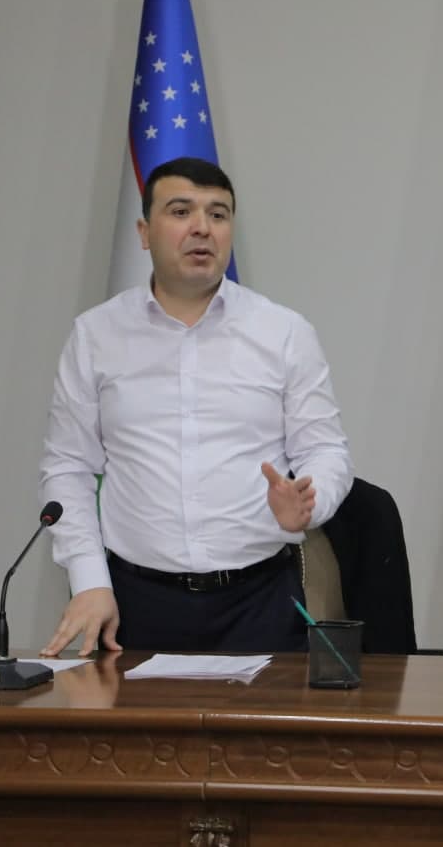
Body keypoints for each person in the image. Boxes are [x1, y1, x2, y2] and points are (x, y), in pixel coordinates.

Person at [39, 157, 353, 657]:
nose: (202, 228)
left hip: (260, 602)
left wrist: (309, 503)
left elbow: (326, 451)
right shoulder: (96, 335)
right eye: (181, 211)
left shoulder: (284, 333)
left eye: (218, 214)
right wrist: (89, 580)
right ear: (144, 233)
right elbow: (68, 467)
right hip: (135, 605)